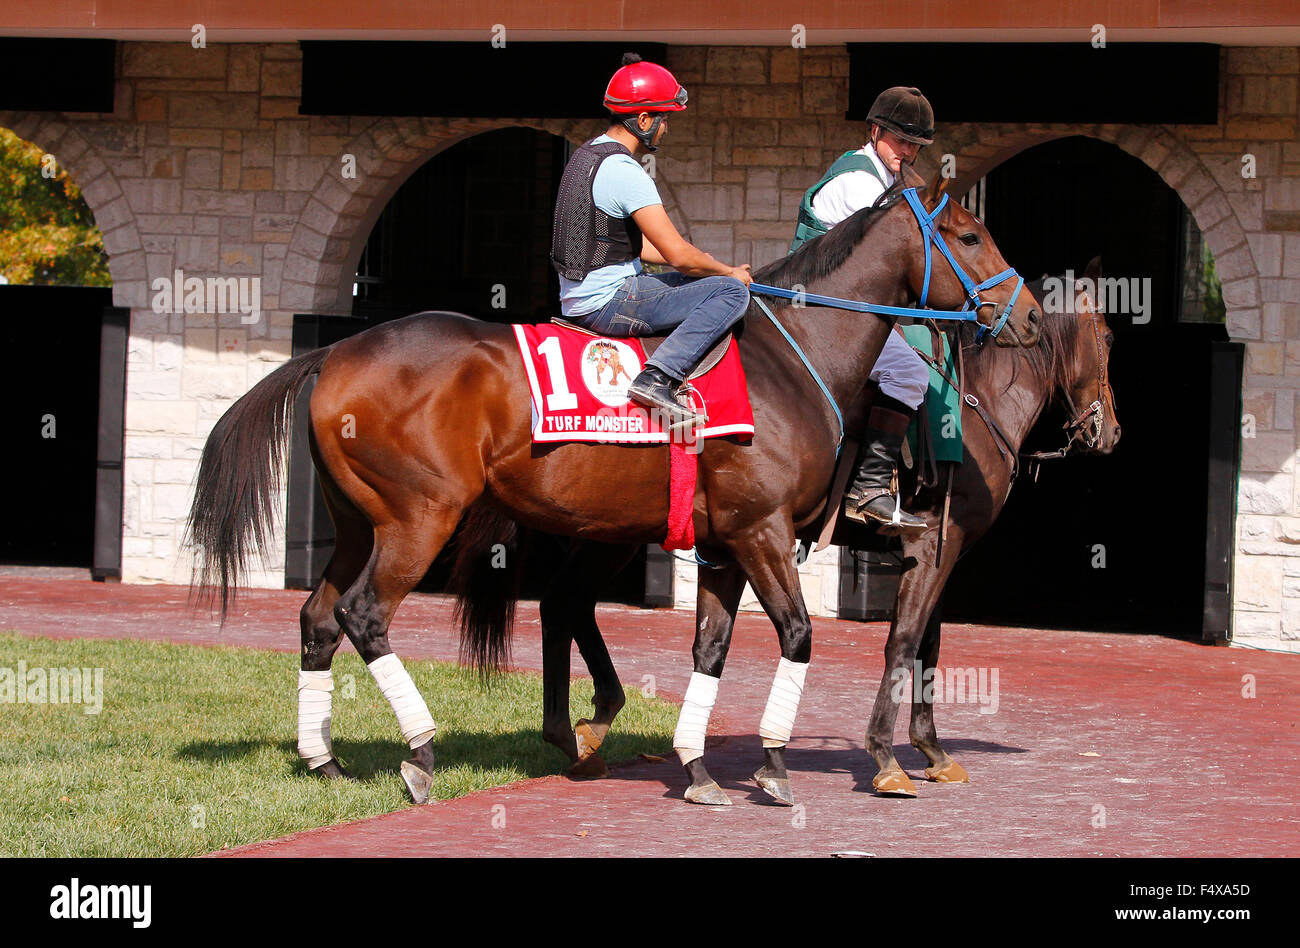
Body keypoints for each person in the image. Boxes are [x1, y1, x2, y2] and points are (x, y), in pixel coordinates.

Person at [551, 53, 753, 429]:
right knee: (730, 294)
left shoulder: (586, 155)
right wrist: (727, 272)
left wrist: (699, 266)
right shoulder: (626, 171)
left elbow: (632, 244)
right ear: (643, 120)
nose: (665, 129)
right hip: (609, 302)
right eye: (664, 120)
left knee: (705, 280)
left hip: (580, 297)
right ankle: (658, 378)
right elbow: (679, 257)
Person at [789, 86, 937, 533]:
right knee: (910, 374)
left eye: (914, 144)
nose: (907, 151)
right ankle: (870, 488)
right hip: (818, 311)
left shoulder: (887, 180)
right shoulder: (859, 183)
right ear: (874, 131)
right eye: (900, 140)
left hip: (845, 308)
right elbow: (886, 264)